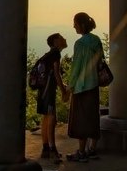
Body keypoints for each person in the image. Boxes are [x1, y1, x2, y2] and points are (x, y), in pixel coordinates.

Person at [65, 12, 103, 162]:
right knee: (93, 116)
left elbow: (76, 68)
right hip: (94, 84)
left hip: (82, 86)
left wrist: (69, 87)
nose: (73, 26)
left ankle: (81, 152)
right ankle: (92, 148)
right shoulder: (96, 40)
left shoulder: (80, 44)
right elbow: (101, 60)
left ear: (81, 25)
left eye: (74, 23)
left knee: (81, 119)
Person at [35, 33, 70, 162]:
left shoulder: (48, 55)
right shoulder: (56, 53)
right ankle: (52, 149)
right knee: (51, 119)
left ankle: (45, 149)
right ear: (55, 42)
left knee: (46, 117)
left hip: (42, 90)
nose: (65, 39)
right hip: (48, 91)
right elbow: (56, 74)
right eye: (61, 38)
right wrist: (63, 91)